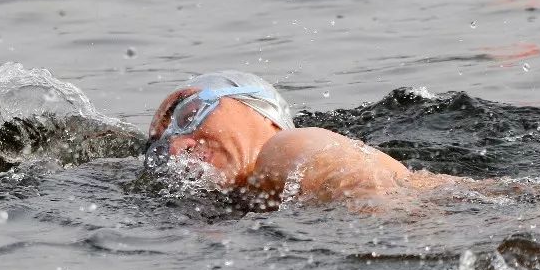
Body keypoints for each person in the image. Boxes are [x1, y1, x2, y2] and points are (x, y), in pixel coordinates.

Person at [145, 71, 454, 210]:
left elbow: (385, 205)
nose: (175, 147)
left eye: (189, 116)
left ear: (263, 113)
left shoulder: (285, 145)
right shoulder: (255, 197)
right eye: (162, 147)